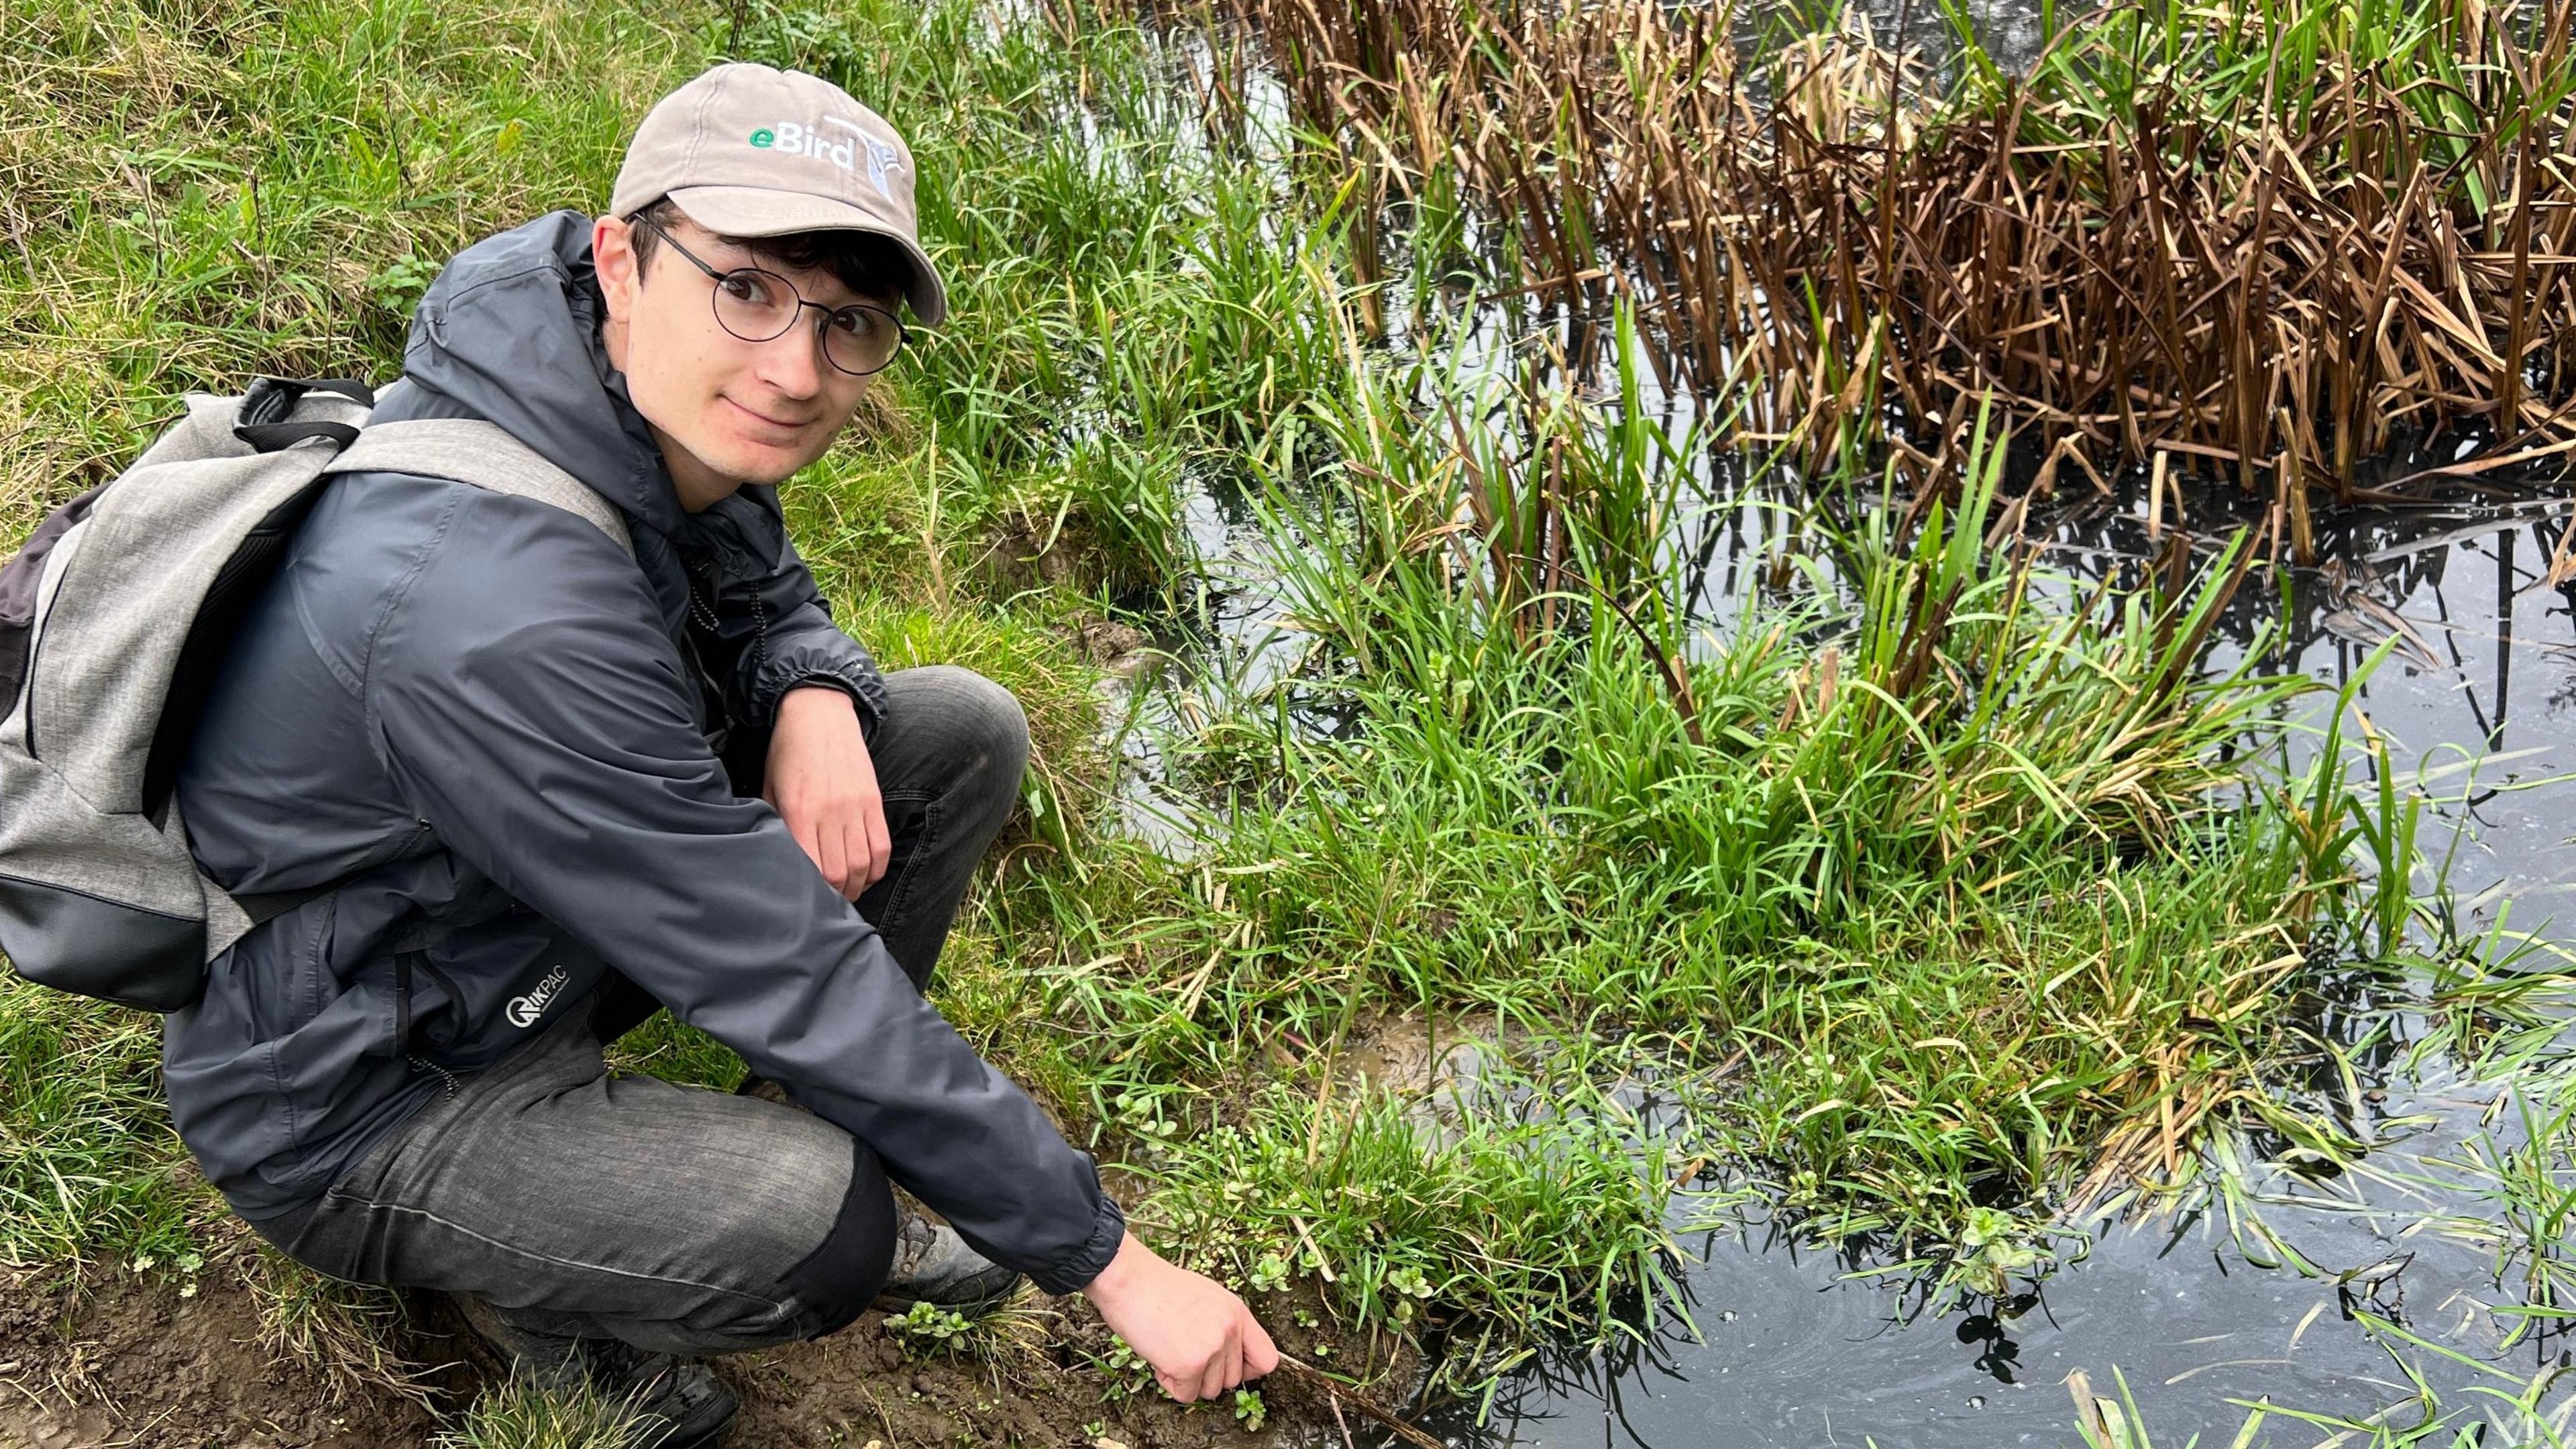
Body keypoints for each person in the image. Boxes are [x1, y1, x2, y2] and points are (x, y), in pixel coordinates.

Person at [162, 61, 1275, 1447]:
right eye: (746, 290)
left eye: (848, 324)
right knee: (816, 1231)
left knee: (949, 736)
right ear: (626, 261)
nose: (797, 371)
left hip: (497, 932)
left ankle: (724, 1163)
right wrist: (1112, 1264)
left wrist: (810, 687)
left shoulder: (593, 385)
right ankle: (579, 1318)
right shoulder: (493, 614)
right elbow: (779, 963)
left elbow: (752, 569)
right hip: (361, 1087)